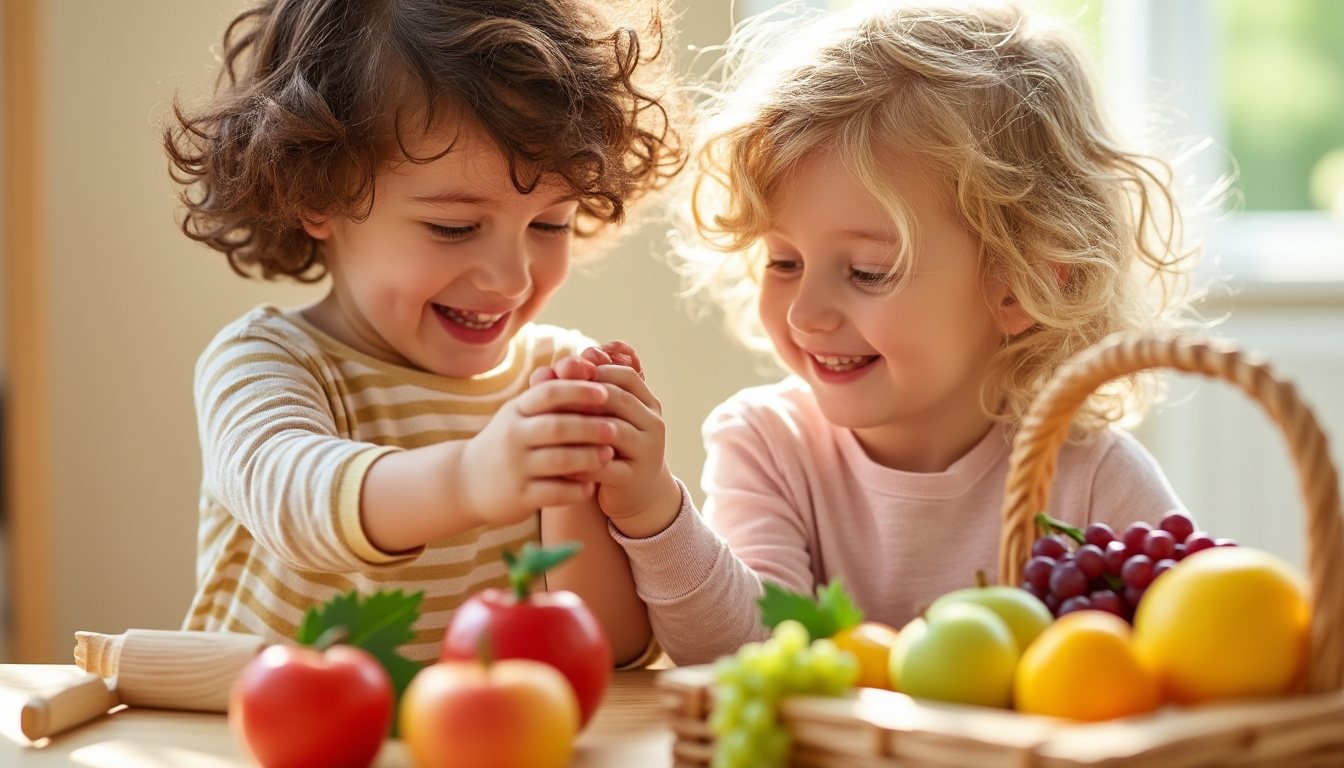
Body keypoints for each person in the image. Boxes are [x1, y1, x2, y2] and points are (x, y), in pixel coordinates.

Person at [544, 1, 1204, 665]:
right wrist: (655, 512)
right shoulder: (771, 447)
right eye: (784, 262)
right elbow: (748, 651)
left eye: (867, 271)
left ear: (1022, 284)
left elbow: (1190, 649)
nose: (806, 314)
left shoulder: (1093, 477)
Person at [164, 0, 686, 666]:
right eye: (454, 228)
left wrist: (610, 492)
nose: (511, 278)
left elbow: (607, 652)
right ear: (317, 192)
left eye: (549, 225)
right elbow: (293, 500)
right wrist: (469, 478)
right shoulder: (265, 361)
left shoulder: (553, 373)